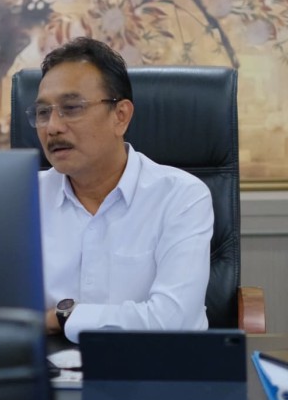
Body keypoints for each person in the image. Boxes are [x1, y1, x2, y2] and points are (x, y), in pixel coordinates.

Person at [27, 37, 213, 343]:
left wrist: (61, 317)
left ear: (121, 116)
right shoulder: (24, 197)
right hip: (46, 364)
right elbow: (0, 313)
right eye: (43, 112)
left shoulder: (180, 196)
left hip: (152, 364)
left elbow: (173, 321)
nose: (52, 127)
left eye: (71, 108)